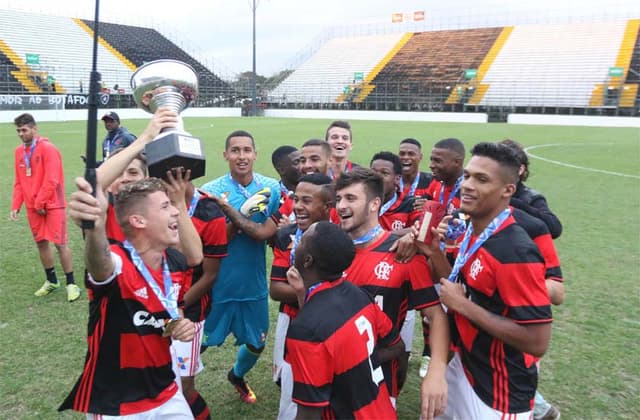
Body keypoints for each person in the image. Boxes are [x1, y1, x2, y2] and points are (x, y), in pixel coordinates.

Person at [429, 142, 552, 420]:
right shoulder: (475, 229)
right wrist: (433, 252)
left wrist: (463, 306)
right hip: (466, 364)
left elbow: (537, 340)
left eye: (482, 180)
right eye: (469, 176)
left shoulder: (515, 251)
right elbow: (459, 286)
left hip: (499, 390)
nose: (468, 185)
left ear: (508, 190)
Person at [60, 177, 199, 417]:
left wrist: (178, 323)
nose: (176, 211)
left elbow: (171, 310)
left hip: (166, 390)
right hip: (117, 403)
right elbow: (99, 263)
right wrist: (96, 227)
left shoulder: (176, 264)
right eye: (165, 206)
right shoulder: (117, 262)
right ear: (138, 220)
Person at [335, 167, 449, 417]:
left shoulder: (403, 254)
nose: (341, 206)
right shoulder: (331, 253)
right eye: (339, 199)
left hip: (379, 380)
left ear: (375, 203)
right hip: (331, 377)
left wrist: (436, 371)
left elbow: (436, 316)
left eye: (350, 198)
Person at [284, 221, 404, 419]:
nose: (297, 242)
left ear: (307, 261)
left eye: (302, 240)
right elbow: (397, 347)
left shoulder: (304, 331)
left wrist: (351, 367)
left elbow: (309, 414)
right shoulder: (360, 296)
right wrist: (359, 365)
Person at [200, 130, 281, 404]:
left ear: (255, 154)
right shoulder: (210, 192)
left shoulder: (272, 188)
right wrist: (240, 217)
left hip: (253, 281)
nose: (242, 156)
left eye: (247, 150)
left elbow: (273, 232)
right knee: (200, 341)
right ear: (225, 155)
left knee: (257, 342)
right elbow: (212, 241)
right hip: (218, 282)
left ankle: (237, 375)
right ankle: (176, 381)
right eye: (235, 150)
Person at [269, 173, 334, 419]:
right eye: (296, 199)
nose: (297, 206)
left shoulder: (338, 238)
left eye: (307, 201)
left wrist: (302, 289)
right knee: (292, 386)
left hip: (333, 326)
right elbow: (276, 289)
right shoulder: (286, 235)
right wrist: (319, 293)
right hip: (295, 321)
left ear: (328, 207)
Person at [10, 113, 79, 302]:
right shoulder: (19, 152)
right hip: (34, 207)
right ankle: (51, 280)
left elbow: (52, 179)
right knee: (41, 242)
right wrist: (16, 205)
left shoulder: (48, 149)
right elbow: (19, 181)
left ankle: (71, 284)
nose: (21, 134)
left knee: (60, 243)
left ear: (34, 129)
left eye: (24, 130)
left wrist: (40, 202)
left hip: (52, 204)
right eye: (18, 131)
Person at [419, 137, 466, 377]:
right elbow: (428, 207)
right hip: (436, 259)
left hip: (460, 269)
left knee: (457, 324)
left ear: (457, 162)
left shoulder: (468, 190)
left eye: (438, 160)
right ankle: (432, 355)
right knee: (431, 313)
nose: (432, 165)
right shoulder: (436, 186)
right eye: (431, 159)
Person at [500, 139, 563, 239]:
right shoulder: (482, 192)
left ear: (520, 169)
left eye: (503, 165)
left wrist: (512, 203)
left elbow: (554, 228)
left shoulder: (530, 198)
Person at [370, 151, 421, 235]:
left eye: (384, 173)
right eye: (373, 172)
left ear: (397, 179)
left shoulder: (411, 204)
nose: (377, 178)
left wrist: (383, 238)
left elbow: (420, 229)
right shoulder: (361, 202)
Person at [271, 145, 302, 222]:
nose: (303, 166)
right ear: (281, 170)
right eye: (296, 162)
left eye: (303, 161)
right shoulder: (273, 198)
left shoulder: (314, 190)